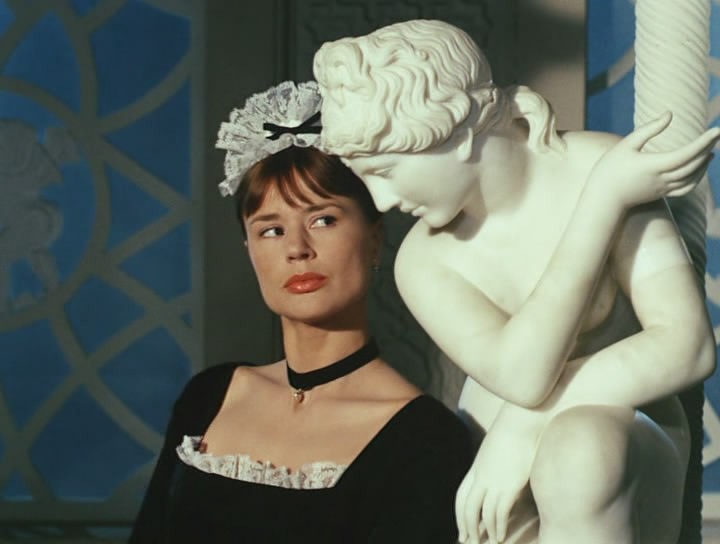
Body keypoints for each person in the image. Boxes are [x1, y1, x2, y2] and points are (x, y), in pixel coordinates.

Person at [313, 20, 720, 544]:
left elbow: (688, 348)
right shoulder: (422, 262)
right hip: (495, 466)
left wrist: (525, 425)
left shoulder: (597, 163)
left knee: (579, 449)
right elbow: (523, 377)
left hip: (621, 447)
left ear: (454, 131)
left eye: (385, 171)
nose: (382, 201)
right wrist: (601, 204)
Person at [129, 80, 474, 543]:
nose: (297, 248)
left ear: (374, 238)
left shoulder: (426, 439)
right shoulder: (208, 395)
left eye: (323, 220)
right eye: (270, 230)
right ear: (249, 249)